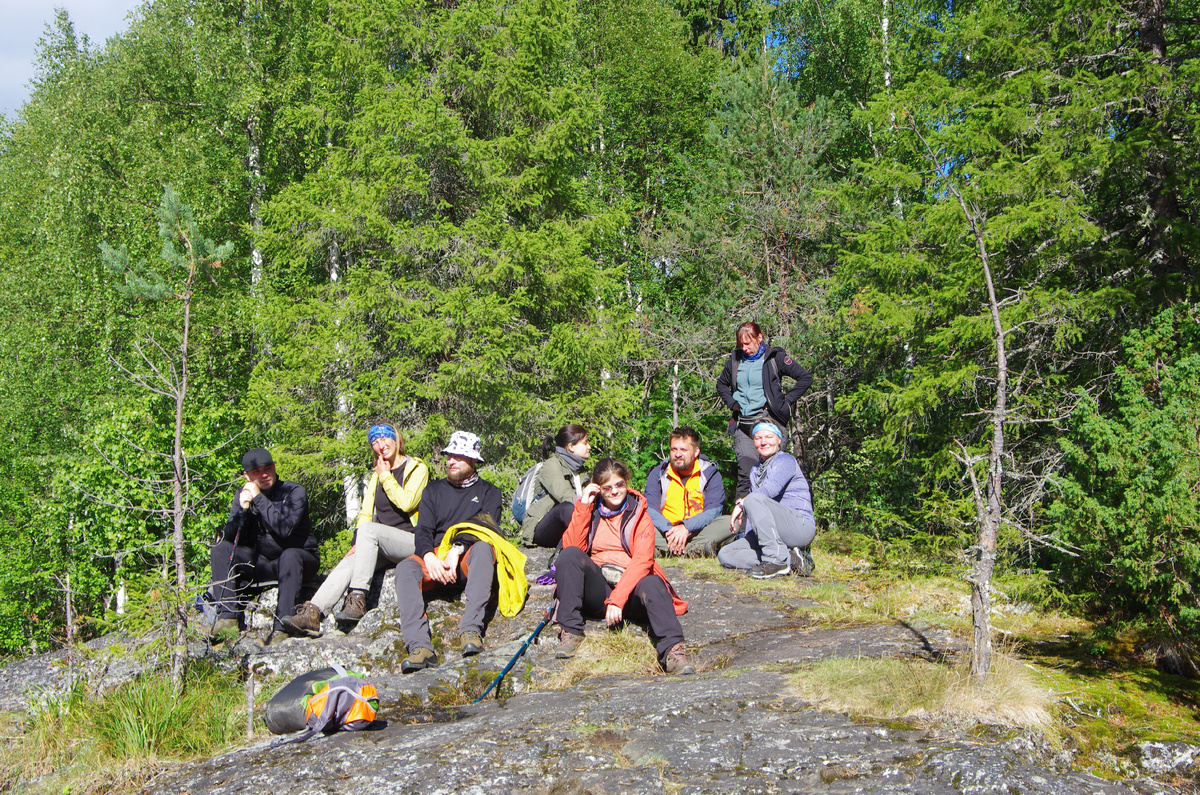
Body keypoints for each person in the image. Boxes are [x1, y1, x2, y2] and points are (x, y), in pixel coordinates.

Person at [282, 424, 429, 637]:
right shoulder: (376, 475)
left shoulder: (417, 468)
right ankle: (313, 613)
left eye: (385, 439)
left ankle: (358, 597)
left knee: (369, 531)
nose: (381, 445)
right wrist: (356, 544)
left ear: (396, 441)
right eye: (375, 442)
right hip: (381, 543)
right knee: (350, 560)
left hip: (413, 541)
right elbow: (365, 513)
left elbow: (407, 503)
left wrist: (386, 476)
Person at [553, 458, 694, 675]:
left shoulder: (640, 513)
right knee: (569, 555)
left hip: (632, 593)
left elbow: (643, 561)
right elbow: (572, 549)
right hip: (599, 590)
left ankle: (673, 652)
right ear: (598, 488)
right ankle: (571, 631)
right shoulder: (590, 510)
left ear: (626, 481)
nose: (615, 491)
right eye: (607, 488)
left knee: (654, 583)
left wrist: (618, 599)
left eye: (619, 484)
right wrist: (583, 506)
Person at [395, 431, 516, 673]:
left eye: (458, 457)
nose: (450, 461)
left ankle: (470, 631)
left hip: (467, 557)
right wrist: (429, 556)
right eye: (449, 455)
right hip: (436, 558)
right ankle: (421, 648)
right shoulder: (432, 491)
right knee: (405, 568)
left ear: (473, 461)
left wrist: (457, 550)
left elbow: (485, 526)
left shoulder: (489, 492)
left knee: (484, 548)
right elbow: (423, 530)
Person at [207, 448, 319, 636]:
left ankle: (282, 628)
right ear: (247, 476)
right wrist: (242, 510)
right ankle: (227, 618)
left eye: (267, 468)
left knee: (290, 555)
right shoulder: (243, 495)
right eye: (256, 472)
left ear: (274, 467)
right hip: (263, 563)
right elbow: (230, 538)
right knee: (220, 548)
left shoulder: (294, 492)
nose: (264, 475)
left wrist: (258, 498)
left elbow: (285, 529)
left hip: (299, 561)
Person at [715, 321, 813, 499]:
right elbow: (721, 384)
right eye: (741, 344)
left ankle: (775, 521)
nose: (744, 348)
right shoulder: (735, 361)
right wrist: (732, 403)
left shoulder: (775, 358)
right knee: (746, 474)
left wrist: (785, 401)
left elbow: (805, 378)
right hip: (743, 424)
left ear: (760, 337)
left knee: (770, 473)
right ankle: (743, 524)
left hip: (769, 422)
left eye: (748, 343)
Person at [717, 422, 816, 579]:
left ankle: (776, 560)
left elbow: (769, 490)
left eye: (769, 437)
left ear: (779, 440)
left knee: (753, 498)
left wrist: (741, 504)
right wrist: (747, 535)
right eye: (758, 438)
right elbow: (754, 510)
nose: (763, 442)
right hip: (771, 532)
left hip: (799, 527)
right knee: (726, 554)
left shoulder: (785, 460)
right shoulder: (756, 470)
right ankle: (792, 560)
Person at [643, 427, 731, 557]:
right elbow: (650, 508)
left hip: (699, 531)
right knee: (639, 523)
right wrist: (669, 530)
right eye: (674, 449)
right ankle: (695, 550)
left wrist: (686, 527)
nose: (678, 454)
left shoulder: (710, 473)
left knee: (732, 522)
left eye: (683, 450)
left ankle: (667, 550)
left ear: (696, 452)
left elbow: (714, 511)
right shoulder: (659, 473)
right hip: (666, 532)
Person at [520, 424, 591, 548]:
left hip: (567, 524)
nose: (589, 447)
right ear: (571, 447)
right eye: (585, 443)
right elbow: (565, 495)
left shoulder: (580, 469)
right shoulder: (551, 465)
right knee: (567, 508)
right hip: (541, 526)